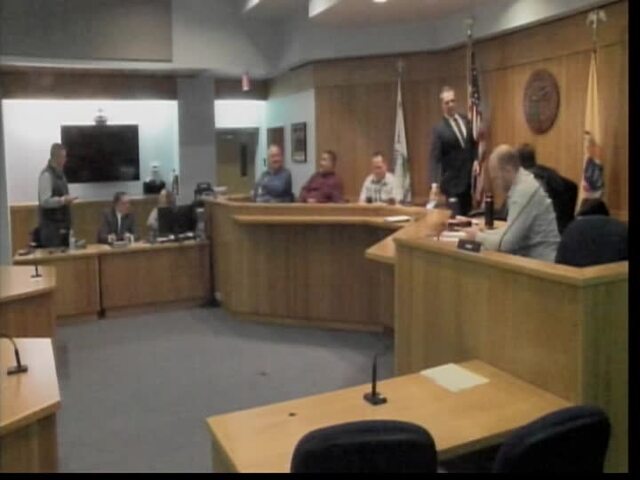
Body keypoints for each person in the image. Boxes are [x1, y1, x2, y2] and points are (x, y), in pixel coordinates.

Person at [462, 145, 560, 263]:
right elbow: (508, 231)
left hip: (542, 265)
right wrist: (484, 233)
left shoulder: (524, 190)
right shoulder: (522, 184)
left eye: (496, 178)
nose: (496, 185)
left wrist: (477, 237)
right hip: (530, 261)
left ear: (508, 171)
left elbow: (505, 244)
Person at [429, 86, 477, 216]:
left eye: (452, 101)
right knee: (457, 220)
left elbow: (473, 144)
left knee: (469, 218)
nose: (450, 105)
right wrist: (434, 184)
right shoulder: (439, 129)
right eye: (447, 102)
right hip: (452, 185)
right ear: (442, 105)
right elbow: (435, 158)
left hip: (468, 183)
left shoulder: (466, 120)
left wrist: (476, 160)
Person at [517, 144, 577, 234]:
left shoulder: (530, 180)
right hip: (562, 228)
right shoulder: (547, 173)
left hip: (545, 232)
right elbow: (573, 186)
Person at [37, 143, 78, 248]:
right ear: (57, 157)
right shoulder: (46, 175)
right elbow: (44, 201)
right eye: (64, 157)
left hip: (63, 227)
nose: (65, 160)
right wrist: (63, 200)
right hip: (51, 231)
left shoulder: (61, 175)